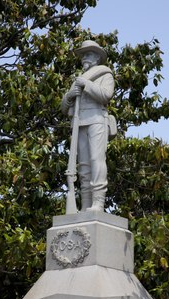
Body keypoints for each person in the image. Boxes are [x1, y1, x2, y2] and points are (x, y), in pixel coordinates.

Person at [61, 40, 115, 212]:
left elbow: (106, 95)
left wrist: (87, 85)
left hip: (97, 119)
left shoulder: (104, 75)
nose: (84, 57)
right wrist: (69, 96)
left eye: (88, 54)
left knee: (96, 160)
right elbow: (64, 107)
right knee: (83, 165)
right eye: (83, 54)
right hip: (79, 122)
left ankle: (98, 203)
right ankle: (85, 204)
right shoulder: (78, 79)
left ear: (97, 58)